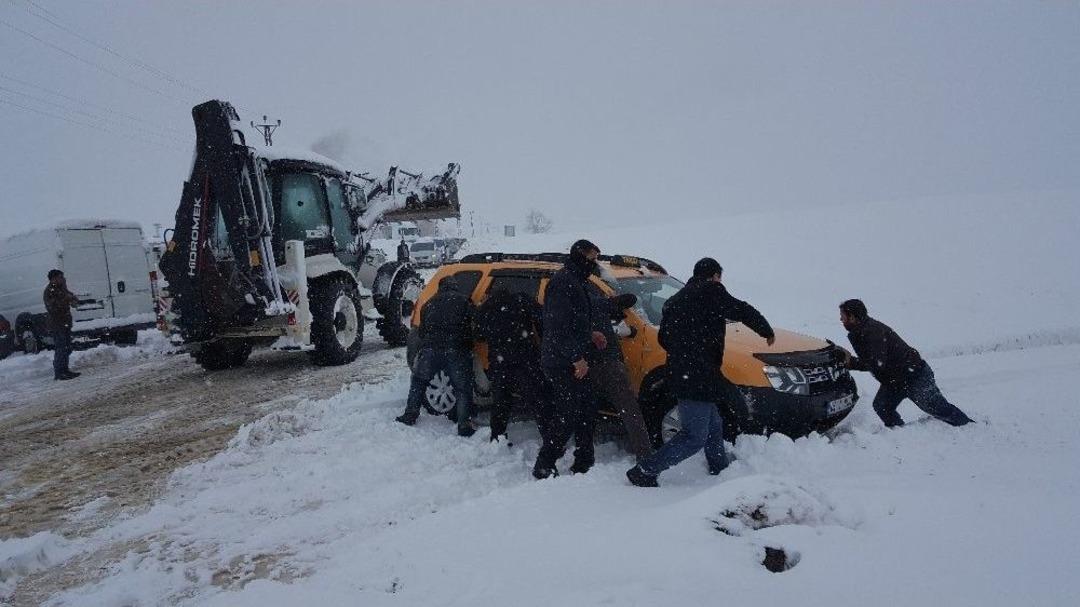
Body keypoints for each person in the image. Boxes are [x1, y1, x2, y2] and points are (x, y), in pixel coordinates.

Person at [627, 258, 774, 488]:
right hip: (698, 375)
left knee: (714, 424)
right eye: (719, 277)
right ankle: (645, 470)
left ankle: (719, 468)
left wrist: (683, 355)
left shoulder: (675, 300)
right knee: (694, 436)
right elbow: (742, 310)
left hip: (683, 371)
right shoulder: (712, 293)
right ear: (715, 276)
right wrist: (765, 329)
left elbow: (664, 338)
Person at [532, 239, 605, 479]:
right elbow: (557, 326)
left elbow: (574, 320)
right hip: (561, 361)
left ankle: (585, 460)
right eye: (592, 259)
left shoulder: (578, 281)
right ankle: (545, 462)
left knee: (586, 408)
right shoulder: (563, 282)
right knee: (568, 413)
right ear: (580, 256)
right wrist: (576, 359)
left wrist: (590, 334)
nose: (595, 264)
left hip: (574, 356)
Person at [838, 299, 973, 428]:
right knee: (882, 406)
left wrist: (851, 363)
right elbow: (873, 361)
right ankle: (900, 435)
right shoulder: (858, 331)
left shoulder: (873, 332)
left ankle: (969, 427)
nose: (841, 320)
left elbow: (877, 363)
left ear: (853, 317)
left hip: (914, 376)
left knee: (937, 407)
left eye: (843, 316)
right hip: (894, 379)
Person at [396, 275, 477, 436]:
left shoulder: (429, 303)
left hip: (430, 350)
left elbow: (423, 330)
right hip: (456, 349)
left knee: (418, 382)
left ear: (440, 287)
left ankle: (410, 415)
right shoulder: (464, 301)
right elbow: (474, 323)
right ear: (454, 286)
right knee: (462, 388)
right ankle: (464, 425)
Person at [582, 285, 653, 466]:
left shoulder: (568, 305)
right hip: (608, 363)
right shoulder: (598, 302)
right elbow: (630, 298)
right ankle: (645, 458)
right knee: (630, 411)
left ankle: (583, 457)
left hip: (583, 365)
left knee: (584, 410)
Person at [475, 287, 547, 443]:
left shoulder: (486, 308)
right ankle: (550, 438)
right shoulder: (521, 300)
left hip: (500, 363)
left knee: (501, 402)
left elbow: (479, 334)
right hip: (525, 359)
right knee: (537, 400)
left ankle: (497, 437)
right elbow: (542, 317)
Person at [43, 269, 81, 381]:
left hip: (65, 322)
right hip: (57, 324)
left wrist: (73, 299)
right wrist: (66, 299)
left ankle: (65, 370)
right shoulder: (49, 291)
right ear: (53, 279)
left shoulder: (61, 288)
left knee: (67, 347)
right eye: (60, 277)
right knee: (61, 348)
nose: (63, 279)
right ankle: (59, 373)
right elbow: (52, 307)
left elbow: (70, 296)